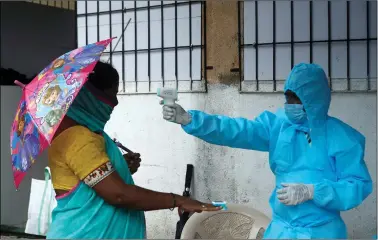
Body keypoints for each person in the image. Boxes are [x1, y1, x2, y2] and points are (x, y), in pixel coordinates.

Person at [161, 63, 372, 239]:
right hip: (281, 231)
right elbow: (238, 130)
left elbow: (357, 186)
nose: (290, 104)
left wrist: (312, 192)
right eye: (288, 97)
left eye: (296, 99)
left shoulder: (344, 138)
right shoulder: (279, 125)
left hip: (322, 233)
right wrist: (191, 120)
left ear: (314, 100)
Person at [46, 61, 221, 239]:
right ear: (93, 95)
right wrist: (180, 200)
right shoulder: (78, 138)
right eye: (111, 94)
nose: (114, 102)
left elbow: (90, 183)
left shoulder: (90, 134)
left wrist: (120, 166)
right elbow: (119, 194)